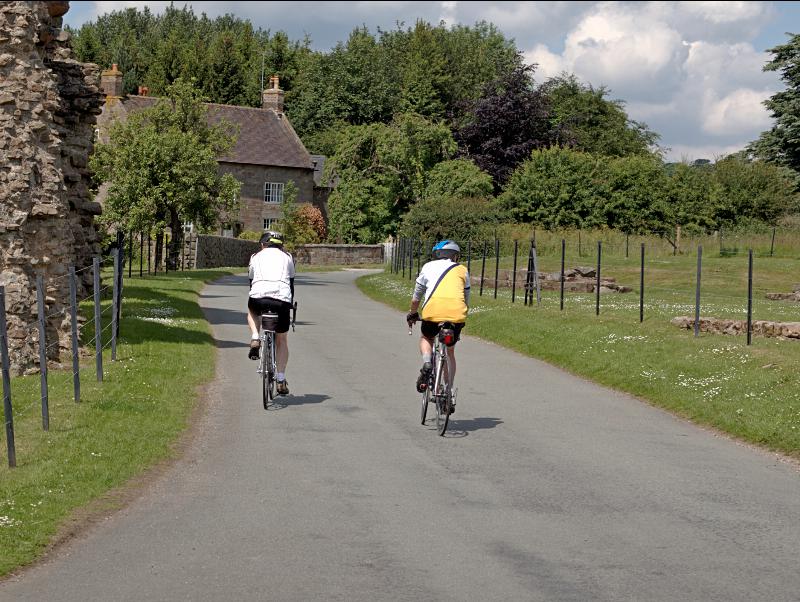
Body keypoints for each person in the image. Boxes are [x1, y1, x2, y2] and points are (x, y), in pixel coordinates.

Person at [406, 240, 470, 408]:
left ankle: (427, 362)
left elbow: (416, 296)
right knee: (450, 352)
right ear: (455, 256)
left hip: (432, 313)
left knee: (426, 337)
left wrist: (413, 313)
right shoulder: (462, 270)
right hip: (456, 315)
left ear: (437, 254)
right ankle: (448, 392)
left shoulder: (428, 267)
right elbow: (466, 297)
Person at [247, 230, 295, 395]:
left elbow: (251, 281)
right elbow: (291, 283)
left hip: (258, 297)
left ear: (262, 244)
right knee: (281, 339)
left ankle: (255, 337)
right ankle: (281, 379)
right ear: (281, 246)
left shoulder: (255, 257)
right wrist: (289, 306)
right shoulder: (287, 257)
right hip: (281, 299)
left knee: (252, 311)